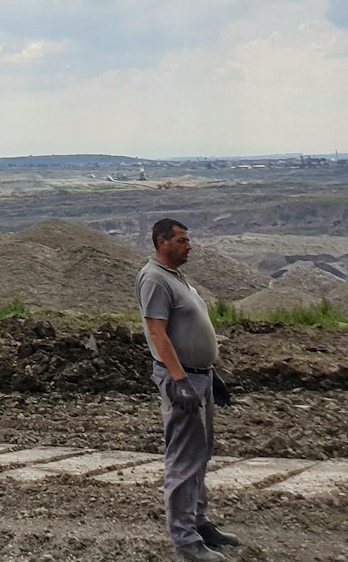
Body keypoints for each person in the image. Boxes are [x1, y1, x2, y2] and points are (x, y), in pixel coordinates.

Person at [139, 218, 240, 559]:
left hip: (200, 376)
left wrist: (210, 373)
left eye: (187, 239)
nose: (189, 245)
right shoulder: (154, 278)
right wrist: (180, 379)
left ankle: (198, 522)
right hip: (181, 380)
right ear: (161, 242)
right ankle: (186, 543)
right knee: (183, 459)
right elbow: (157, 334)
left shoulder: (175, 277)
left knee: (200, 453)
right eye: (181, 240)